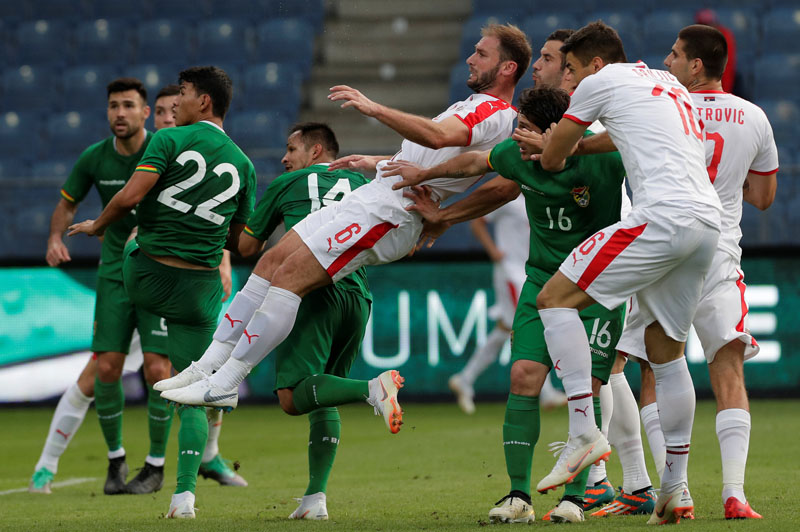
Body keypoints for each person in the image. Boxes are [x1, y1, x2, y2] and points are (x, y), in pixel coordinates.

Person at [156, 25, 532, 423]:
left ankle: (227, 381)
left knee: (289, 278)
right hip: (373, 195)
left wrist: (376, 109)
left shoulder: (495, 113)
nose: (471, 58)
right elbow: (428, 158)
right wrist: (377, 162)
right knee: (271, 262)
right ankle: (206, 366)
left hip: (391, 213)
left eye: (481, 53)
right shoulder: (476, 106)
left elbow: (442, 140)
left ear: (507, 67)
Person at [383, 85, 627, 523]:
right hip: (541, 282)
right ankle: (518, 497)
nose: (517, 136)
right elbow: (476, 161)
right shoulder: (517, 157)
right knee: (522, 376)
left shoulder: (605, 158)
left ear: (557, 132)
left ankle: (574, 498)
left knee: (585, 389)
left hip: (599, 285)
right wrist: (423, 177)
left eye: (528, 129)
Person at [533, 21, 722, 525]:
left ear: (595, 64)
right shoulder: (666, 85)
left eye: (570, 69)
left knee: (553, 299)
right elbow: (620, 138)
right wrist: (578, 144)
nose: (567, 81)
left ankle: (581, 431)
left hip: (661, 216)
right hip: (707, 224)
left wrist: (554, 141)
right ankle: (675, 490)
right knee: (666, 353)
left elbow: (552, 158)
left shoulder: (599, 83)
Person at [68, 66, 257, 519]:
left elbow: (131, 197)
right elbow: (244, 244)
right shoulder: (245, 165)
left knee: (130, 242)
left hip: (146, 278)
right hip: (200, 290)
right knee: (189, 389)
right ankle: (184, 497)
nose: (176, 106)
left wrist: (99, 224)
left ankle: (142, 453)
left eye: (185, 95)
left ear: (204, 103)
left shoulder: (169, 140)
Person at [616, 24, 777, 520]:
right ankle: (735, 494)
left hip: (667, 252)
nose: (667, 62)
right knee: (727, 367)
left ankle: (676, 488)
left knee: (657, 369)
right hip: (720, 253)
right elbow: (765, 198)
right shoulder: (754, 116)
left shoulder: (665, 110)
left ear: (697, 66)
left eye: (675, 54)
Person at [513, 29, 658, 517]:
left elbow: (562, 156)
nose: (545, 67)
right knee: (610, 369)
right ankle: (628, 483)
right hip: (609, 255)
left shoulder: (597, 114)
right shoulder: (589, 114)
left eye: (556, 61)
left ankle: (610, 480)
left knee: (609, 369)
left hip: (615, 255)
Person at [31, 78, 174, 497]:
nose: (120, 113)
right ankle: (115, 461)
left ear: (145, 113)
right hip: (114, 273)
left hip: (158, 270)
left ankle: (156, 467)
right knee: (107, 368)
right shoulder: (95, 157)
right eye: (114, 106)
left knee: (159, 370)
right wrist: (55, 238)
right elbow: (67, 203)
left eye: (129, 105)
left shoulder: (164, 151)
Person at [236, 122, 379, 520]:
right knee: (322, 392)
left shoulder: (290, 183)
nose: (284, 158)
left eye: (291, 148)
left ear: (316, 152)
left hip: (309, 293)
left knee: (291, 396)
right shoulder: (363, 183)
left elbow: (248, 246)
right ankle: (315, 499)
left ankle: (374, 388)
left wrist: (242, 214)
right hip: (358, 296)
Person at [447, 196, 568, 415]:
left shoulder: (539, 196)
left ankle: (465, 378)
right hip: (511, 272)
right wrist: (493, 251)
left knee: (506, 327)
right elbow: (477, 222)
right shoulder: (508, 196)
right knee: (529, 325)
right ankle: (546, 391)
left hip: (529, 272)